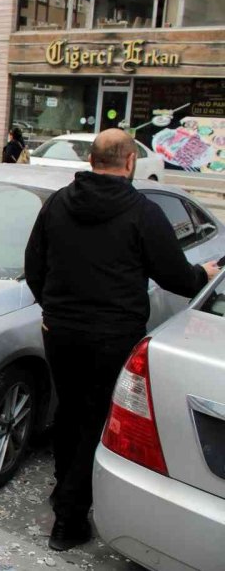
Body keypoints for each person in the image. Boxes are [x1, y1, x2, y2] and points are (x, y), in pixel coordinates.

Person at [24, 129, 219, 552]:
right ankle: (69, 521)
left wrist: (53, 311)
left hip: (60, 332)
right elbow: (175, 276)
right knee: (97, 419)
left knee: (69, 412)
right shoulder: (143, 212)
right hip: (112, 337)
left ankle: (63, 489)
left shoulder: (58, 203)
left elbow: (33, 265)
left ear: (91, 160)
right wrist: (201, 275)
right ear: (130, 161)